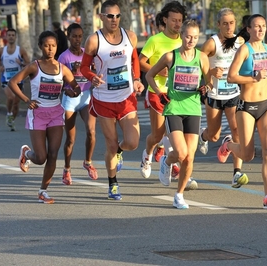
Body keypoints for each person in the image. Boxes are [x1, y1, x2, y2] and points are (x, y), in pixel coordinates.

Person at [219, 14, 267, 209]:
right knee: (247, 155)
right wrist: (253, 76)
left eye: (263, 26)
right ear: (249, 29)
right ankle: (228, 145)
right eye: (256, 26)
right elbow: (231, 77)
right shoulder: (245, 50)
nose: (260, 30)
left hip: (266, 106)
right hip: (246, 107)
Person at [80, 0, 144, 200]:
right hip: (104, 99)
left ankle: (119, 151)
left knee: (132, 142)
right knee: (110, 143)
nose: (114, 20)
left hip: (126, 97)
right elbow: (83, 68)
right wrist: (92, 77)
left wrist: (136, 79)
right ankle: (113, 183)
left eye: (117, 16)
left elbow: (134, 59)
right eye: (110, 16)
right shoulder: (94, 41)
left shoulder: (129, 36)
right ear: (101, 17)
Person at [8, 31, 81, 204]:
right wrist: (26, 100)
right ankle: (27, 153)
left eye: (53, 46)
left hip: (56, 113)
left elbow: (77, 88)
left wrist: (70, 91)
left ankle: (43, 191)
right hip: (38, 114)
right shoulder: (34, 66)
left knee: (53, 154)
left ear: (57, 47)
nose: (50, 49)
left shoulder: (62, 69)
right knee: (41, 158)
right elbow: (13, 82)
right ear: (40, 46)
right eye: (46, 45)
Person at [145, 20, 211, 209]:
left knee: (189, 157)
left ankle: (179, 195)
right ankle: (168, 160)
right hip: (174, 109)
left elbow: (209, 81)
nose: (191, 40)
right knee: (181, 153)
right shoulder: (170, 57)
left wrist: (206, 87)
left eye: (195, 37)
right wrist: (159, 93)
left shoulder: (202, 57)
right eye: (188, 36)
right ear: (182, 35)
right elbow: (149, 75)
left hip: (193, 110)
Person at [139, 1, 189, 183]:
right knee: (158, 134)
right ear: (165, 20)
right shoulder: (155, 40)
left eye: (180, 21)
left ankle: (173, 164)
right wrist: (158, 70)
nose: (177, 24)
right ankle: (147, 154)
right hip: (157, 91)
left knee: (173, 133)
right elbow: (140, 62)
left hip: (178, 94)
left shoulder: (184, 40)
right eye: (174, 20)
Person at [199, 8, 248, 188]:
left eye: (232, 23)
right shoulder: (212, 44)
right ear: (218, 25)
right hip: (214, 94)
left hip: (233, 94)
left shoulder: (240, 42)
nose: (229, 26)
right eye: (225, 23)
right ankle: (203, 136)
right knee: (214, 135)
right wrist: (211, 72)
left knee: (237, 130)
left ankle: (237, 173)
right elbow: (200, 63)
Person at [58, 23, 98, 185]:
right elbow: (57, 81)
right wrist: (65, 90)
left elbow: (94, 71)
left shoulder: (87, 54)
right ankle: (67, 169)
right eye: (74, 36)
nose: (77, 39)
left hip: (86, 96)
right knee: (70, 139)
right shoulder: (64, 57)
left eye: (80, 36)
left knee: (91, 132)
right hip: (70, 99)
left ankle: (88, 162)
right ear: (68, 37)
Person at [0, 28, 30, 131]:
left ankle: (12, 120)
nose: (11, 37)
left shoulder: (21, 50)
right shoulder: (1, 50)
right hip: (6, 78)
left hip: (18, 80)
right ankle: (9, 113)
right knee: (10, 97)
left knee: (16, 103)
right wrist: (0, 66)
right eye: (9, 35)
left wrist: (21, 63)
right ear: (6, 37)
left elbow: (28, 64)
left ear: (15, 37)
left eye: (13, 35)